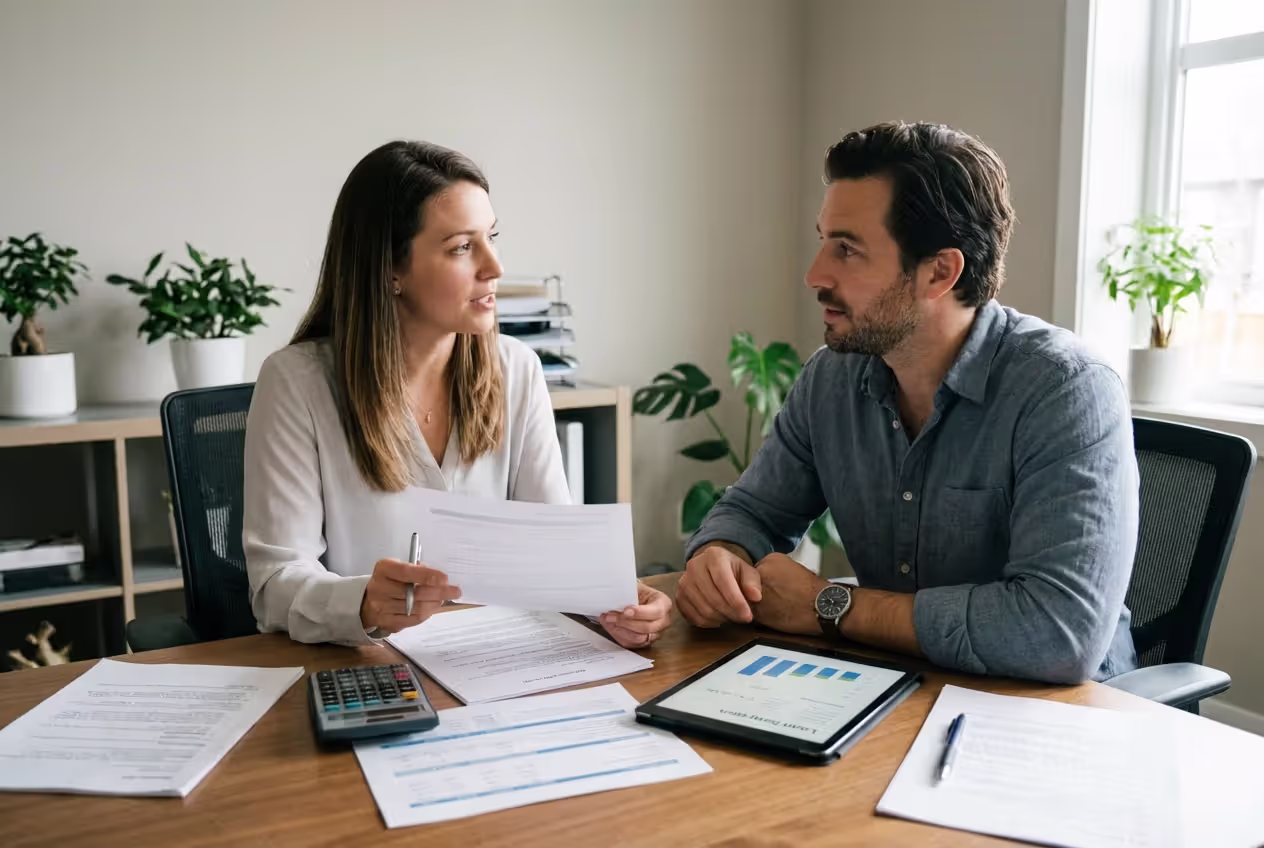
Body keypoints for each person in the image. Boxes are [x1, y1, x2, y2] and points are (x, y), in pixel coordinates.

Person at [676, 121, 1139, 684]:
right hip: (896, 684)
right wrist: (719, 557)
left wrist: (830, 605)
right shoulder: (832, 379)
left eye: (847, 249)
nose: (815, 274)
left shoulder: (1065, 389)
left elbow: (1058, 633)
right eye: (823, 240)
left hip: (1052, 716)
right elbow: (752, 511)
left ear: (939, 272)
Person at [243, 140, 671, 648]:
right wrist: (361, 603)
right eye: (462, 247)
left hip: (498, 665)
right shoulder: (297, 383)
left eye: (491, 237)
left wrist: (617, 604)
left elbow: (557, 557)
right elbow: (275, 586)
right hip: (365, 672)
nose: (495, 266)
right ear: (390, 270)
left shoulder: (517, 369)